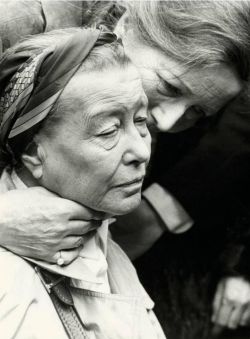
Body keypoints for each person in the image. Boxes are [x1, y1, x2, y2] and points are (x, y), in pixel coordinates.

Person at [0, 0, 250, 336]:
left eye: (196, 113)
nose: (169, 120)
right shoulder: (15, 24)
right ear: (128, 25)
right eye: (170, 88)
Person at [0, 26, 167, 339]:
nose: (142, 151)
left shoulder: (99, 237)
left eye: (141, 120)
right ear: (35, 154)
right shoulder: (10, 289)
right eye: (107, 131)